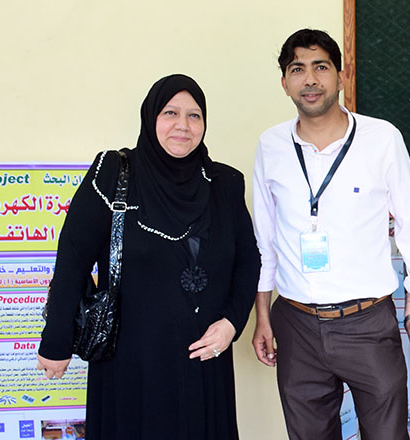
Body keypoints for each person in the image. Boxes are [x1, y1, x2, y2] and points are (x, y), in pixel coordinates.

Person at [37, 74, 261, 440]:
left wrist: (231, 323)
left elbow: (248, 261)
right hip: (131, 363)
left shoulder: (224, 183)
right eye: (170, 113)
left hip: (204, 360)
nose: (183, 125)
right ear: (150, 117)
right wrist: (56, 341)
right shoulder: (113, 173)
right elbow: (73, 258)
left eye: (194, 115)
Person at [250, 29, 410, 440]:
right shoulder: (271, 145)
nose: (310, 80)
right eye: (297, 69)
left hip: (367, 324)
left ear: (341, 75)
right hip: (296, 324)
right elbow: (265, 241)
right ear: (284, 82)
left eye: (321, 67)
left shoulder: (382, 138)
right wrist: (263, 316)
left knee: (387, 435)